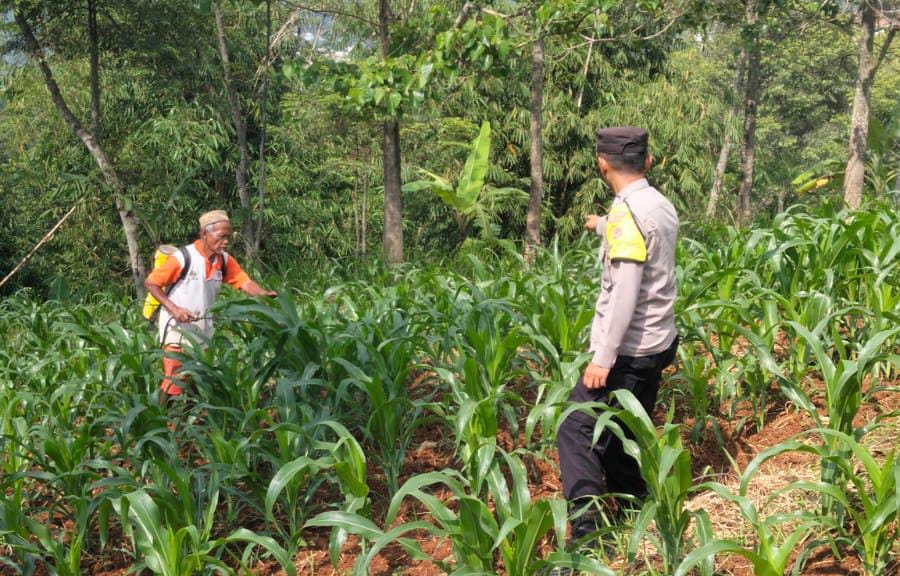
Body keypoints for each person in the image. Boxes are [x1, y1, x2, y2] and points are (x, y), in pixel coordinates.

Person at [555, 127, 679, 559]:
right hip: (659, 341)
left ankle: (586, 534)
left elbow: (625, 288)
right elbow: (641, 236)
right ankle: (636, 509)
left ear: (602, 164)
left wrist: (603, 358)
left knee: (575, 427)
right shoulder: (658, 204)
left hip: (629, 349)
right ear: (648, 162)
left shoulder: (627, 215)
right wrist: (601, 225)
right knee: (621, 429)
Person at [144, 210, 276, 407]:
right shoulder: (183, 258)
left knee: (197, 376)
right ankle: (160, 418)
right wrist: (175, 309)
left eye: (228, 237)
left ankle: (189, 417)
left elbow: (244, 282)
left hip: (202, 330)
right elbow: (151, 283)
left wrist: (263, 293)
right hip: (177, 329)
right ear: (205, 233)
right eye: (221, 236)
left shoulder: (224, 261)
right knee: (175, 376)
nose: (226, 242)